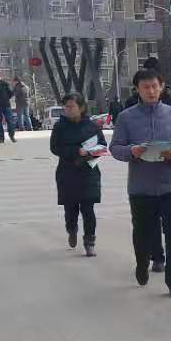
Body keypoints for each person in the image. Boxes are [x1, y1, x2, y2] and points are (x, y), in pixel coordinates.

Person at [109, 67, 171, 297]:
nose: (151, 91)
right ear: (137, 89)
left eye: (155, 86)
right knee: (142, 233)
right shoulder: (126, 117)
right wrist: (132, 151)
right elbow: (115, 148)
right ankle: (142, 262)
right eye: (146, 87)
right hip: (141, 188)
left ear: (162, 87)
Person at [48, 92, 105, 257]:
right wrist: (75, 151)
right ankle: (71, 229)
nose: (68, 109)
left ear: (81, 107)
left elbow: (102, 144)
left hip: (88, 172)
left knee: (88, 209)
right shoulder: (60, 127)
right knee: (70, 209)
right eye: (66, 107)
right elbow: (55, 148)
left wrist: (91, 152)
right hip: (68, 172)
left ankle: (90, 242)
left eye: (71, 106)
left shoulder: (92, 126)